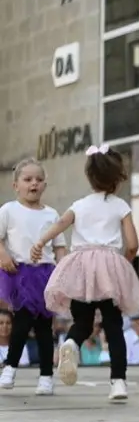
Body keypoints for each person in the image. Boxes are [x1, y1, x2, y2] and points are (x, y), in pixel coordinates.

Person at [34, 144, 139, 403]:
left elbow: (60, 223)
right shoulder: (120, 206)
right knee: (113, 326)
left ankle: (71, 343)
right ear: (117, 178)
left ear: (89, 176)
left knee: (82, 322)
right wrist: (123, 264)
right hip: (108, 265)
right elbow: (133, 244)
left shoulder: (80, 205)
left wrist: (41, 242)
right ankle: (118, 383)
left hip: (81, 267)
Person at [0, 159, 67, 394]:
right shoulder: (8, 210)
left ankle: (46, 376)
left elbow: (59, 245)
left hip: (45, 273)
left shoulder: (51, 214)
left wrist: (62, 270)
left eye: (38, 180)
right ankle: (10, 366)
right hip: (19, 272)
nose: (33, 184)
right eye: (27, 179)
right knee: (22, 319)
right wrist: (3, 256)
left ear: (45, 185)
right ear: (16, 185)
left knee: (43, 326)